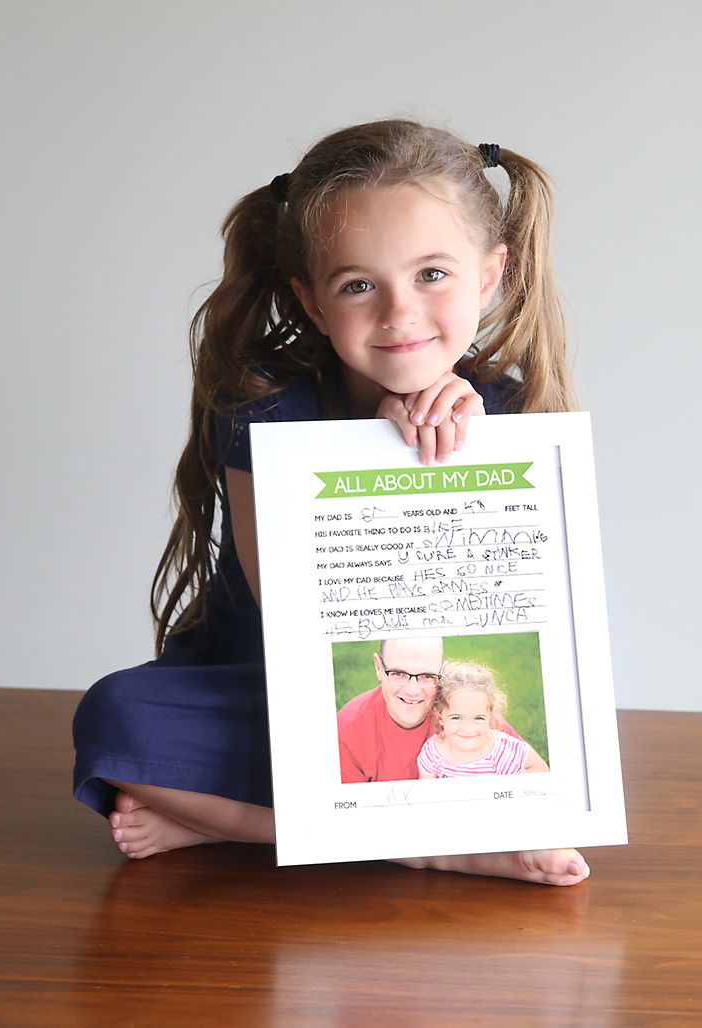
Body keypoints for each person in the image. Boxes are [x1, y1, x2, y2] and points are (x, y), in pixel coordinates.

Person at [72, 119, 589, 885]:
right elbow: (289, 612)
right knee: (115, 719)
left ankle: (230, 824)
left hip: (423, 703)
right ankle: (425, 844)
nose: (399, 313)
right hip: (267, 686)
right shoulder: (262, 406)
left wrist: (460, 454)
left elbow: (510, 608)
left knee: (511, 741)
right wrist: (375, 452)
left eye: (432, 275)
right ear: (313, 303)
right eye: (358, 285)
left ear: (488, 275)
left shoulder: (505, 413)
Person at [338, 639, 526, 783]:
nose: (413, 691)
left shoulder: (465, 712)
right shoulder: (345, 732)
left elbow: (537, 778)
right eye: (398, 673)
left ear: (441, 672)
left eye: (427, 676)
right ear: (379, 667)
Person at [417, 661, 548, 778]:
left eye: (478, 718)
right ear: (440, 715)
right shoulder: (432, 753)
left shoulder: (503, 754)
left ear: (490, 716)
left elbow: (543, 775)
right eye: (456, 718)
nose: (468, 729)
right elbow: (428, 797)